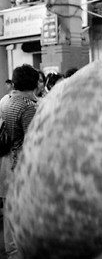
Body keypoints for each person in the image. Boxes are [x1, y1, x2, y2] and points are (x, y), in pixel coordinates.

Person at [0, 64, 39, 259]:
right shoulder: (28, 106)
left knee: (10, 210)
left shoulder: (4, 100)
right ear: (35, 83)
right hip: (21, 164)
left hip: (5, 162)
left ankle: (12, 251)